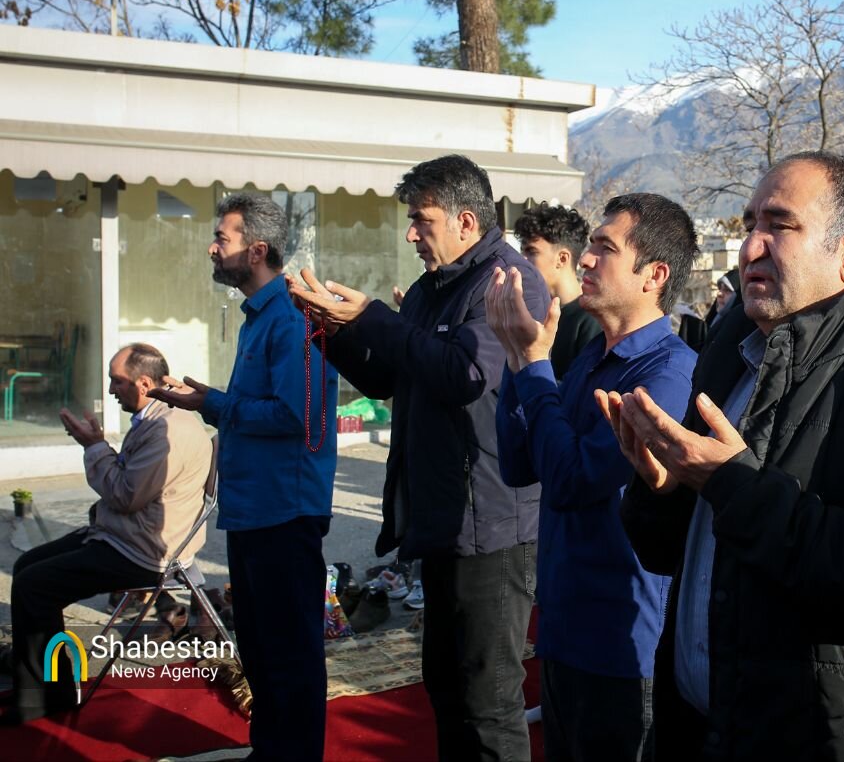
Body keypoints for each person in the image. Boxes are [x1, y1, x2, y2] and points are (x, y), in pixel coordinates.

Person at [602, 151, 844, 760]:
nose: (750, 248)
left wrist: (733, 487)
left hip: (823, 738)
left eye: (780, 225)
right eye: (749, 225)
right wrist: (664, 492)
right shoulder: (732, 351)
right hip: (701, 729)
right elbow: (679, 556)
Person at [288, 154, 548, 762]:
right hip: (441, 519)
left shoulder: (509, 282)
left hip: (491, 524)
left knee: (488, 703)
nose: (411, 234)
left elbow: (465, 374)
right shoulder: (433, 289)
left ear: (465, 220)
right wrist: (335, 330)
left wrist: (372, 315)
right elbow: (388, 377)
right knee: (446, 689)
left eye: (420, 220)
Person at [490, 194, 699, 762]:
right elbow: (519, 465)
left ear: (654, 275)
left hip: (622, 645)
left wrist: (535, 366)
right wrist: (517, 360)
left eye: (605, 248)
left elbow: (573, 481)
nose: (584, 258)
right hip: (564, 629)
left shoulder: (668, 372)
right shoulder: (591, 358)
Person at [151, 194, 337, 760]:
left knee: (290, 654)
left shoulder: (294, 317)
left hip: (285, 511)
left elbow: (297, 416)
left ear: (257, 251)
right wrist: (216, 414)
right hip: (255, 509)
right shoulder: (260, 317)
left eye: (222, 238)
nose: (212, 248)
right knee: (260, 650)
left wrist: (213, 404)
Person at [4, 344, 211, 724]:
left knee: (34, 586)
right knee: (27, 566)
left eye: (117, 381)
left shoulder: (168, 428)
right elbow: (129, 487)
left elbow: (125, 495)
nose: (112, 389)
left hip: (145, 551)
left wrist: (95, 446)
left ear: (144, 383)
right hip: (125, 535)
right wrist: (100, 447)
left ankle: (42, 699)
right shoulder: (156, 415)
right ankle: (45, 678)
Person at [513, 202, 602, 378]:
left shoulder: (592, 319)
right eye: (522, 252)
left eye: (532, 251)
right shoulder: (534, 313)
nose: (522, 260)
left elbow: (581, 388)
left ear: (562, 258)